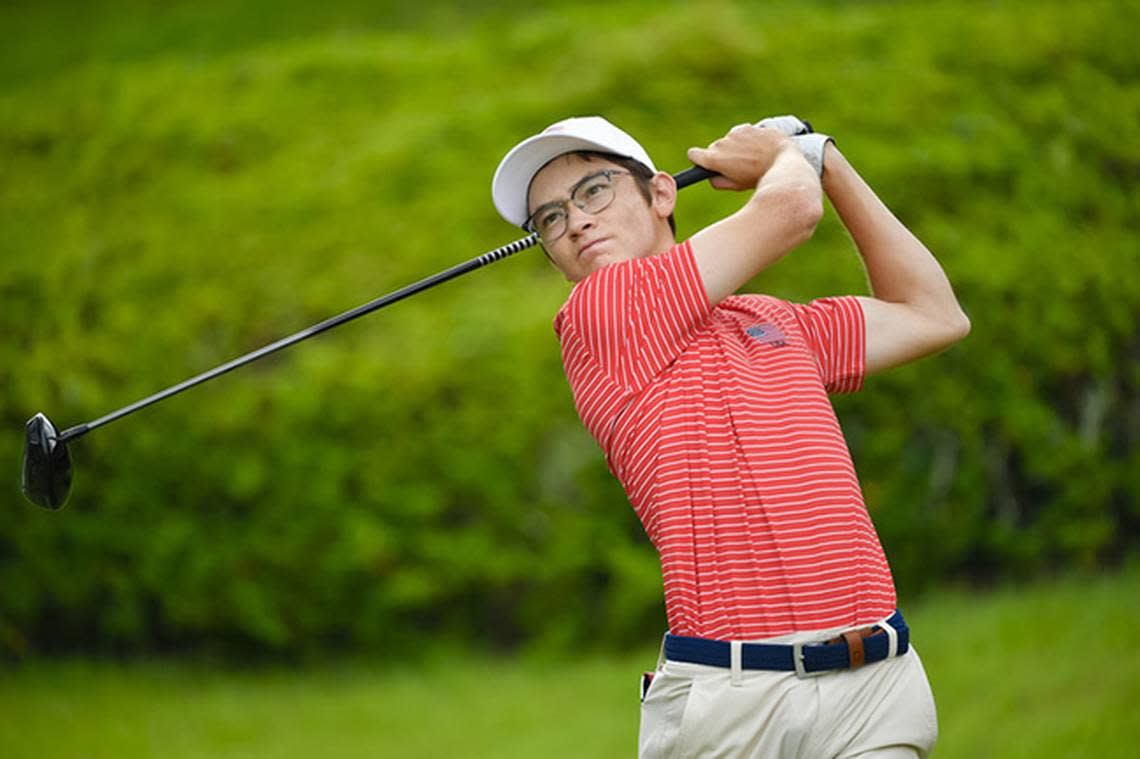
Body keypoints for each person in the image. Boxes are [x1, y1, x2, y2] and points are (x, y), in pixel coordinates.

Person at [491, 115, 969, 758]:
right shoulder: (599, 314)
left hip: (873, 683)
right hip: (734, 699)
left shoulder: (771, 320)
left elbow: (933, 315)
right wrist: (783, 155)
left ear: (662, 194)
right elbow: (793, 210)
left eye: (594, 190)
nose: (574, 221)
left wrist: (826, 159)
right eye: (548, 218)